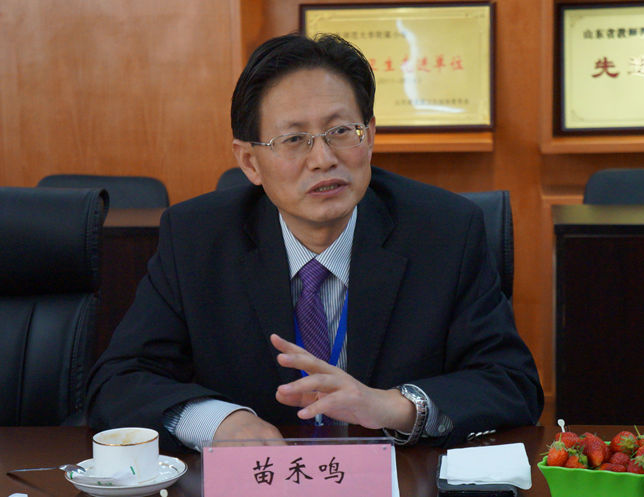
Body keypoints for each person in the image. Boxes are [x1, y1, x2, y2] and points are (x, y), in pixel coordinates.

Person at [87, 33, 543, 452]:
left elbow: (512, 383)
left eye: (341, 131)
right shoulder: (197, 239)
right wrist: (220, 422)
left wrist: (394, 406)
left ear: (371, 136)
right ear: (249, 162)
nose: (323, 159)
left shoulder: (445, 231)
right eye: (294, 139)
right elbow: (118, 382)